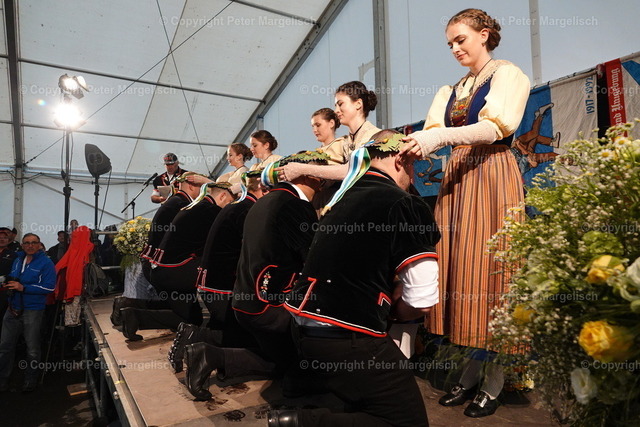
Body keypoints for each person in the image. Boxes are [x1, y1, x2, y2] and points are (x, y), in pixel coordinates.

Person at [400, 8, 530, 418]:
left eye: (461, 39)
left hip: (491, 175)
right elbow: (433, 133)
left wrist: (437, 137)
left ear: (484, 34)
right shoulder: (451, 89)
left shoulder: (508, 74)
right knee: (461, 273)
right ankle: (471, 371)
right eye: (450, 44)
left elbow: (495, 127)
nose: (455, 48)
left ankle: (494, 381)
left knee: (492, 273)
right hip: (458, 181)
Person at [269, 130, 440, 427]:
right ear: (400, 160)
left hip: (302, 330)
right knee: (407, 421)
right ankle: (298, 422)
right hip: (347, 336)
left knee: (361, 399)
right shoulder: (404, 203)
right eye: (413, 166)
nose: (413, 176)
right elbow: (422, 300)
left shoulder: (341, 199)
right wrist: (396, 311)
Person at [182, 152, 327, 401]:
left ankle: (211, 355)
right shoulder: (295, 205)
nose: (323, 184)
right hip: (270, 306)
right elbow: (314, 260)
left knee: (278, 358)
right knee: (308, 364)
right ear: (310, 177)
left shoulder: (265, 200)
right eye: (321, 177)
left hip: (245, 300)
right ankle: (298, 405)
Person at [168, 171, 267, 372]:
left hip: (210, 285)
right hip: (221, 288)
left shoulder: (235, 207)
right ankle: (196, 338)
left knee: (226, 328)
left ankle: (196, 344)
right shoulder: (247, 210)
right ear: (262, 189)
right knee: (251, 337)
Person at [120, 182, 234, 341]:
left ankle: (133, 314)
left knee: (190, 314)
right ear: (222, 196)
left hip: (162, 269)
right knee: (195, 313)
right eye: (230, 202)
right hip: (174, 272)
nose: (230, 206)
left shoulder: (195, 206)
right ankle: (225, 320)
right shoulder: (210, 211)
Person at [278, 81, 380, 183]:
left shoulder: (374, 135)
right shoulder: (346, 142)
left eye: (340, 104)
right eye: (336, 106)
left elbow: (351, 170)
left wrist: (302, 169)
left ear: (358, 104)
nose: (336, 110)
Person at [0, 233, 56, 393]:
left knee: (32, 348)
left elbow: (49, 287)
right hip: (12, 308)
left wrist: (24, 287)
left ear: (39, 244)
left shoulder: (46, 263)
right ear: (22, 245)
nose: (30, 245)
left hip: (33, 310)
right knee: (5, 346)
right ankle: (2, 380)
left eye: (33, 242)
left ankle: (30, 380)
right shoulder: (18, 259)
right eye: (27, 243)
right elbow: (14, 277)